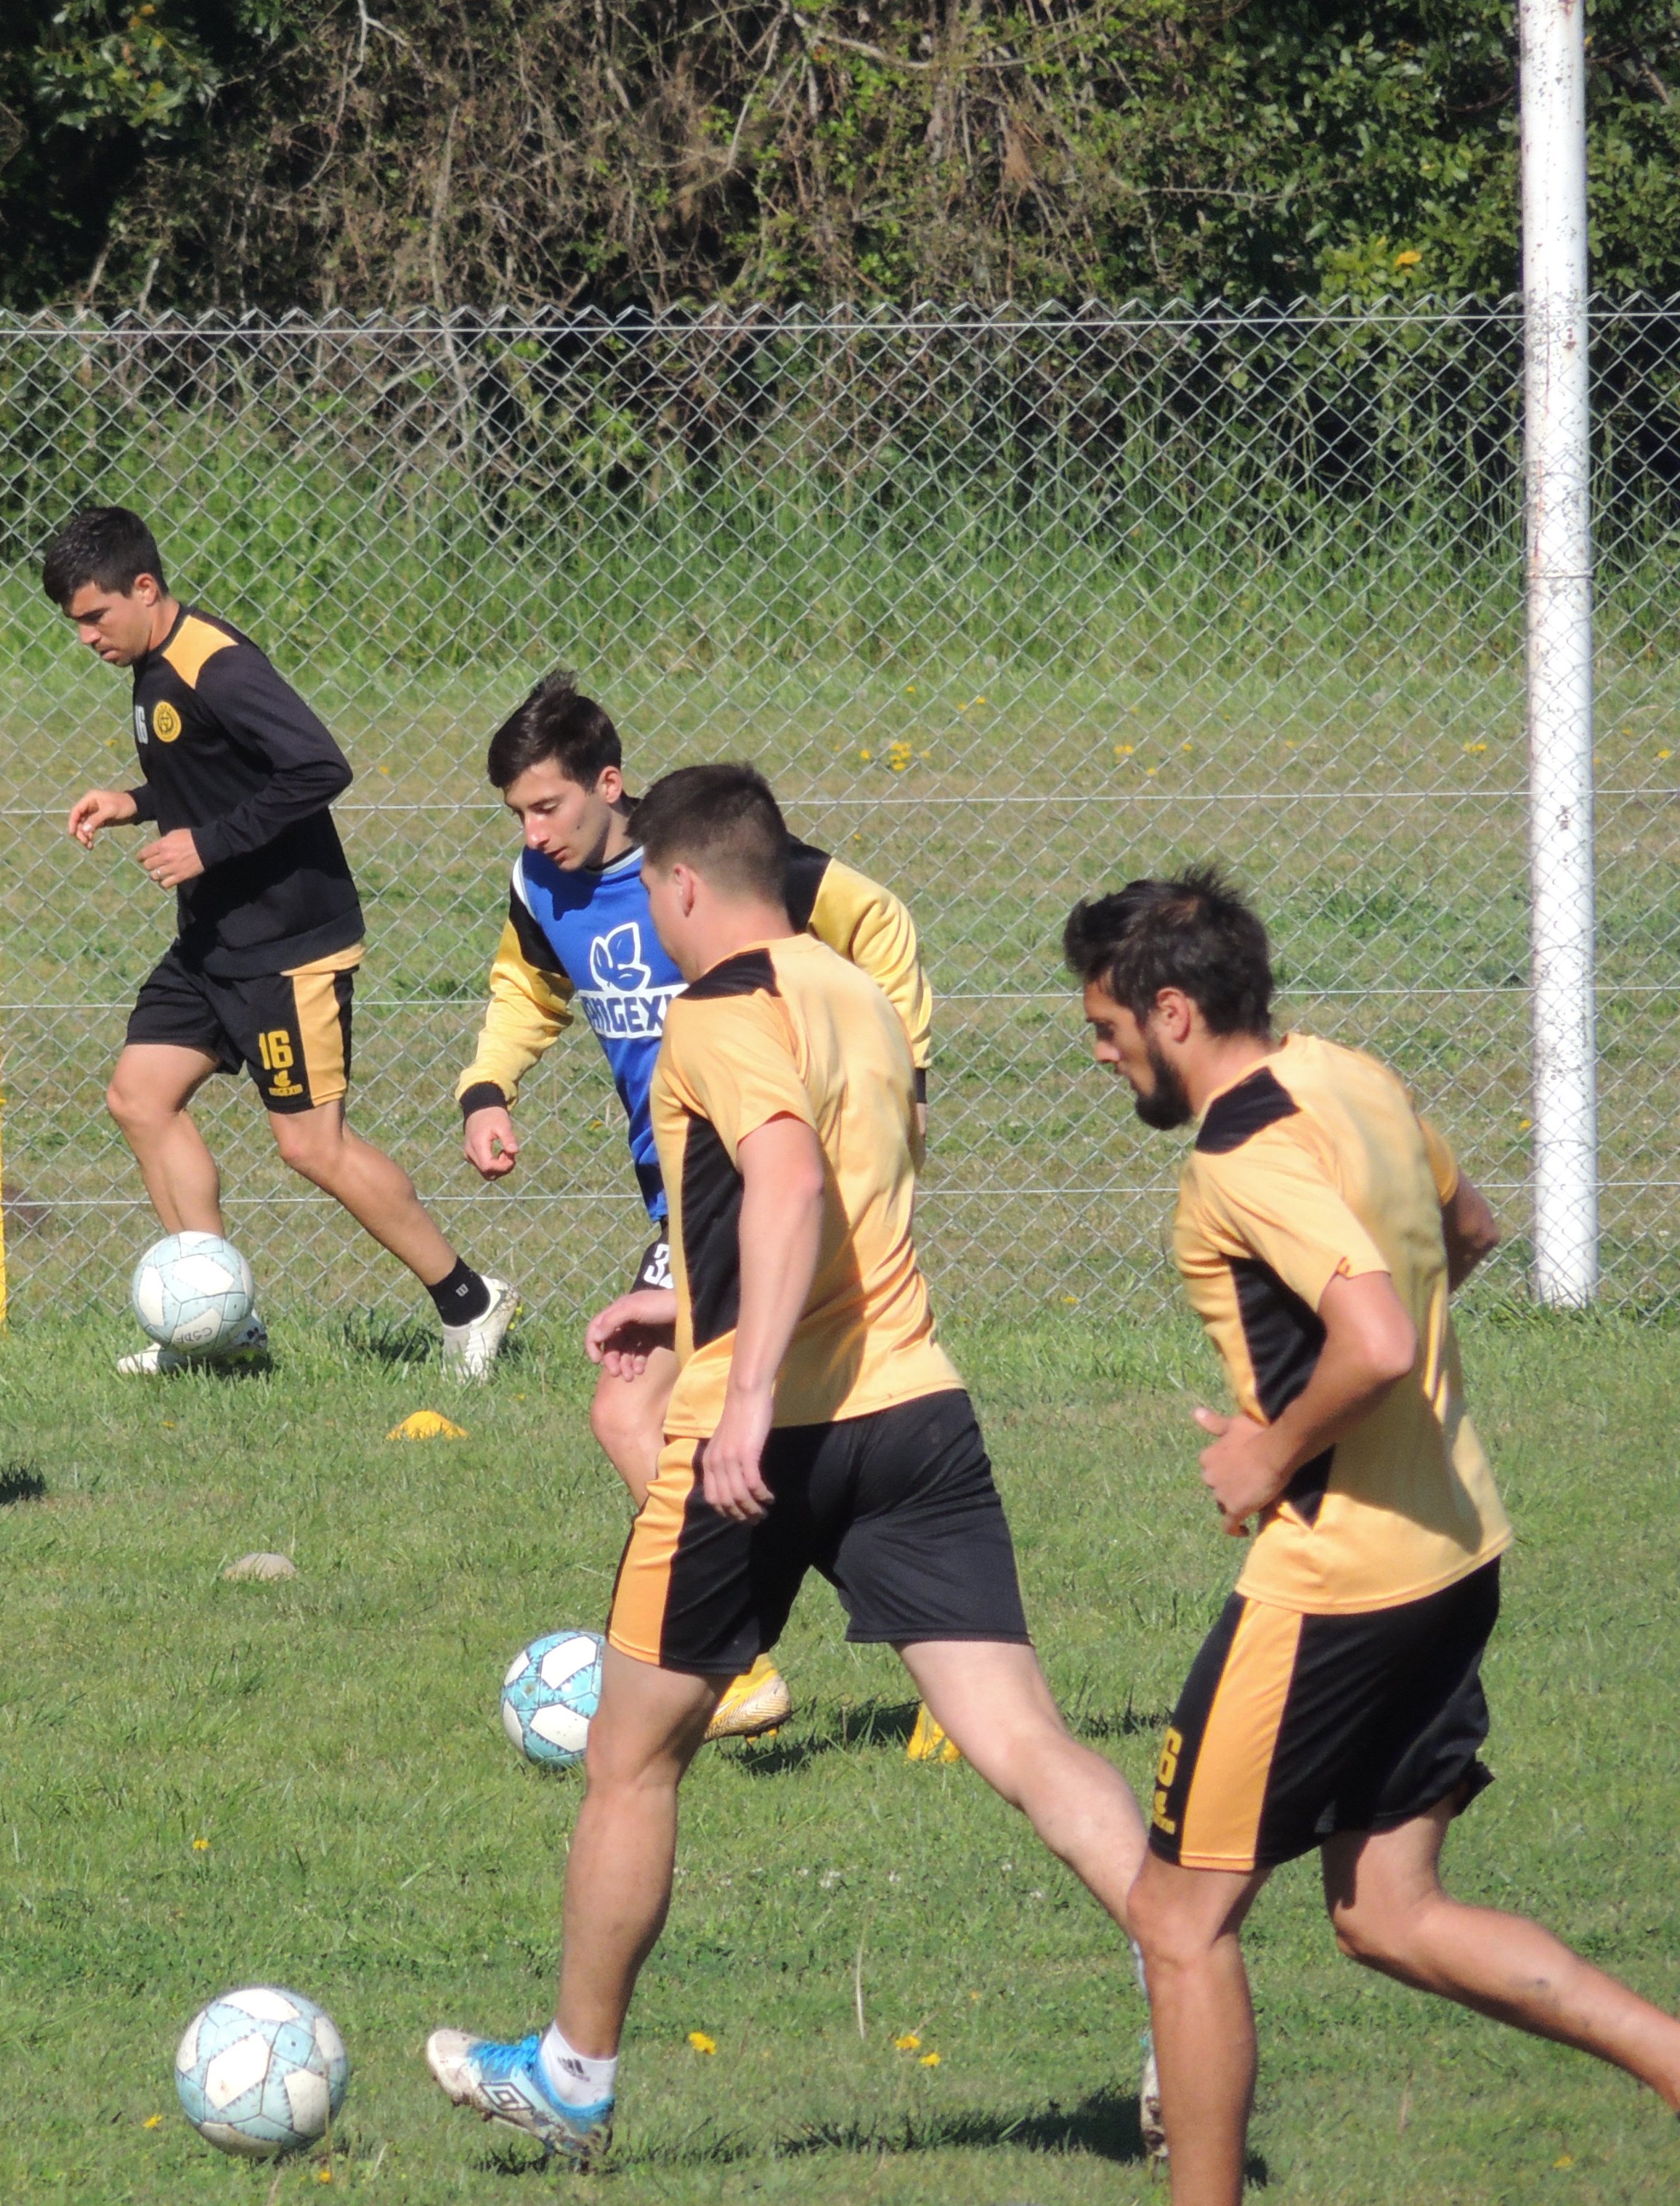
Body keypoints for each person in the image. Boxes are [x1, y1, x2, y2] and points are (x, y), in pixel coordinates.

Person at [425, 763, 1149, 2165]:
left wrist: (742, 1380)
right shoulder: (855, 990)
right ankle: (1179, 1976)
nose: (646, 919)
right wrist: (689, 1301)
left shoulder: (715, 1009)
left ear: (686, 883)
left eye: (649, 894)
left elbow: (787, 1177)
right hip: (911, 1403)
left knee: (633, 1759)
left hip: (756, 1436)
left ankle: (573, 2073)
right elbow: (847, 1185)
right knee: (1025, 1742)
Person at [1066, 869, 1680, 2204]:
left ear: (1174, 1011)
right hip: (1455, 1548)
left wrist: (1271, 1447)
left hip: (1334, 1586)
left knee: (1179, 1919)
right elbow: (1466, 1230)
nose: (1104, 1057)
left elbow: (1380, 1337)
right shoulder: (1352, 1071)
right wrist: (1315, 1393)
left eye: (1109, 1030)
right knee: (1388, 1912)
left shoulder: (1235, 1159)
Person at [455, 671, 944, 1750]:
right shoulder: (541, 893)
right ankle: (949, 1681)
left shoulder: (712, 869)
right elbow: (528, 992)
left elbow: (883, 922)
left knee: (632, 1413)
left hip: (757, 1184)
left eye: (551, 807)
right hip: (688, 1196)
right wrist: (489, 1088)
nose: (535, 833)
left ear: (609, 783)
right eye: (518, 815)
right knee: (836, 1432)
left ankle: (734, 1669)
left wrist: (901, 1077)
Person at [46, 504, 514, 1376]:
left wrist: (205, 843)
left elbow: (316, 765)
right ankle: (218, 1325)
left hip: (287, 943)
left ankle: (470, 1301)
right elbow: (217, 772)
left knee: (310, 1145)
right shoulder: (150, 663)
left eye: (93, 616)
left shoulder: (216, 667)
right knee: (140, 1098)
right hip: (215, 938)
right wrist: (135, 801)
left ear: (144, 588)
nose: (85, 637)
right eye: (75, 623)